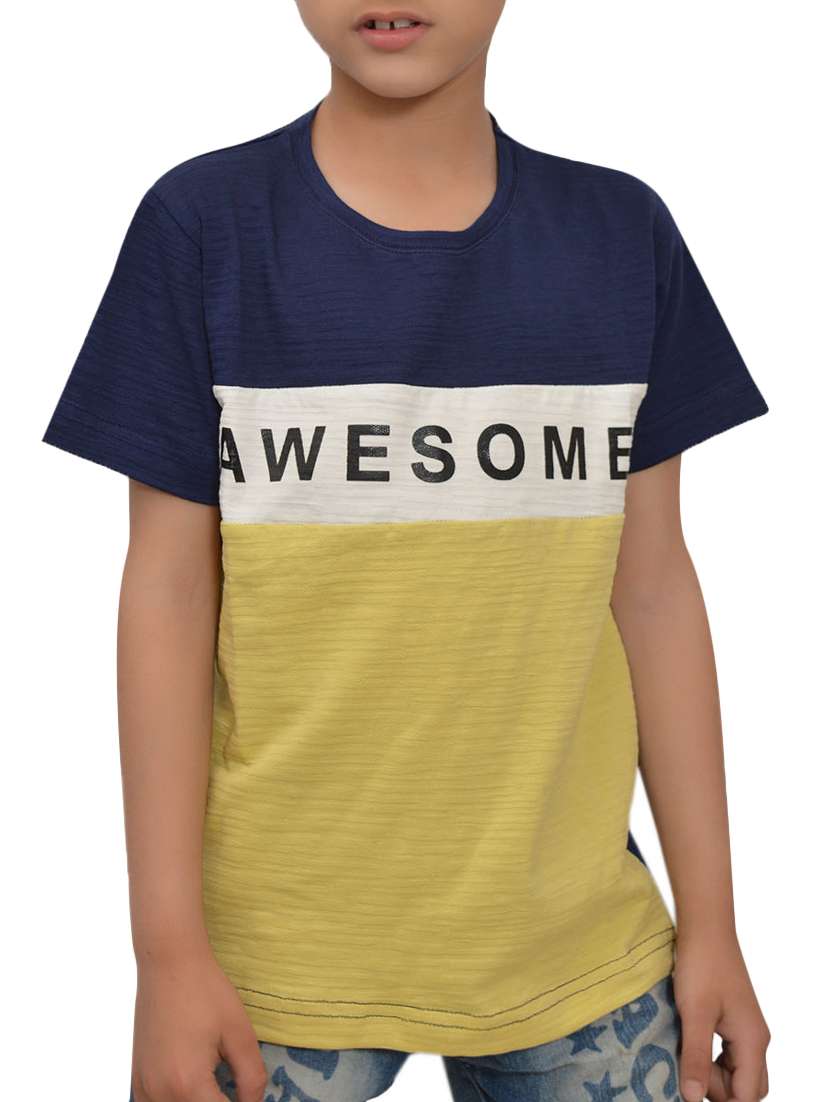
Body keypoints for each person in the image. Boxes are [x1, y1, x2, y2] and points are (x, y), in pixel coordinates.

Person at [41, 2, 773, 1100]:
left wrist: (713, 924)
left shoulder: (621, 235)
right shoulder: (203, 227)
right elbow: (167, 592)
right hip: (271, 965)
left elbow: (655, 588)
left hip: (580, 949)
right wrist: (166, 953)